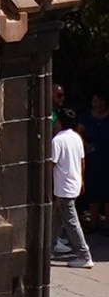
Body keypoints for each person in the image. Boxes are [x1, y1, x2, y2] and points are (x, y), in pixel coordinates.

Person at [53, 99, 94, 267]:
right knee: (56, 220)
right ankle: (46, 249)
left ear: (60, 122)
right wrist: (82, 180)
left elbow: (52, 163)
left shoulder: (58, 140)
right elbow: (82, 161)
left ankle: (84, 255)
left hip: (63, 187)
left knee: (71, 222)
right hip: (74, 184)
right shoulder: (76, 138)